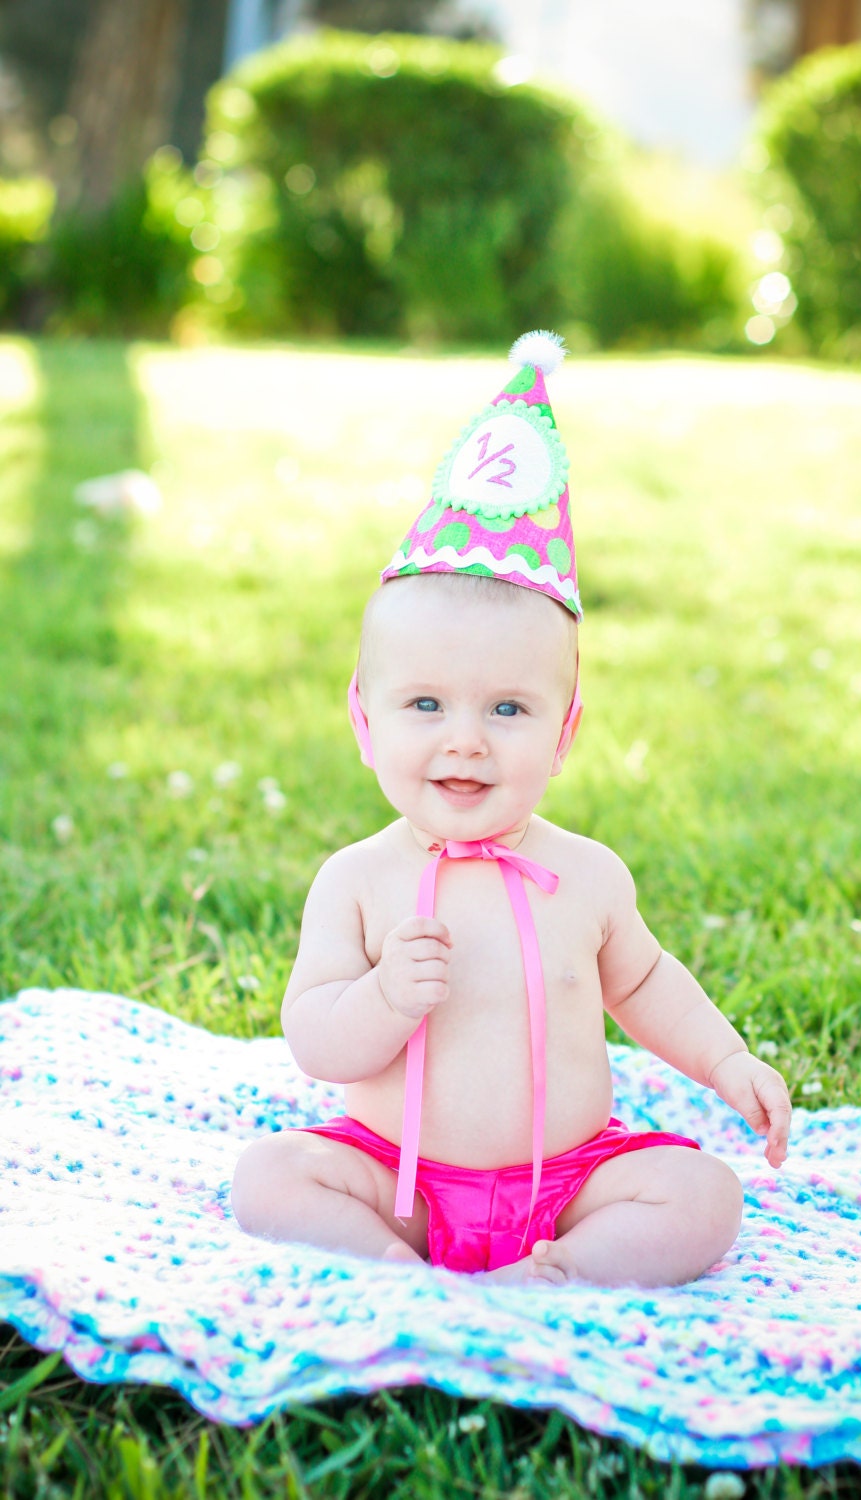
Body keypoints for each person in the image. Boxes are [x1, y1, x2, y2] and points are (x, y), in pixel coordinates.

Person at [231, 333, 792, 1287]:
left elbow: (648, 984)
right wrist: (382, 999)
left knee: (705, 1195)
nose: (466, 741)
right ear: (364, 722)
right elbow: (315, 1040)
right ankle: (393, 1268)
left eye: (507, 709)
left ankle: (562, 1269)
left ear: (564, 731)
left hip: (563, 1179)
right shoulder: (360, 882)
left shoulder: (588, 876)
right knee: (269, 1178)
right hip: (398, 1178)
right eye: (425, 706)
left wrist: (726, 1061)